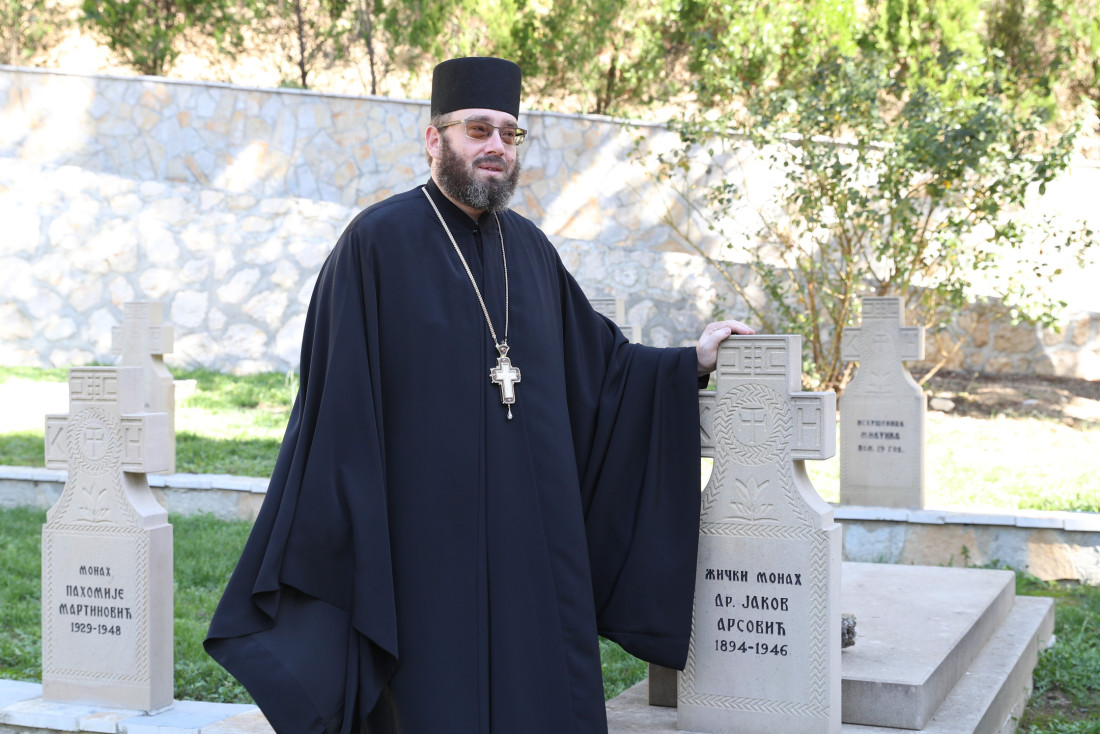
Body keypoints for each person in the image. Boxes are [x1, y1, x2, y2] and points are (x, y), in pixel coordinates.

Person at [205, 56, 753, 734]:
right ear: (435, 139)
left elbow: (603, 370)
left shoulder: (529, 250)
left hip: (531, 543)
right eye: (478, 130)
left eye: (510, 134)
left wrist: (685, 365)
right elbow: (336, 409)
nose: (495, 146)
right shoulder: (375, 245)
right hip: (421, 547)